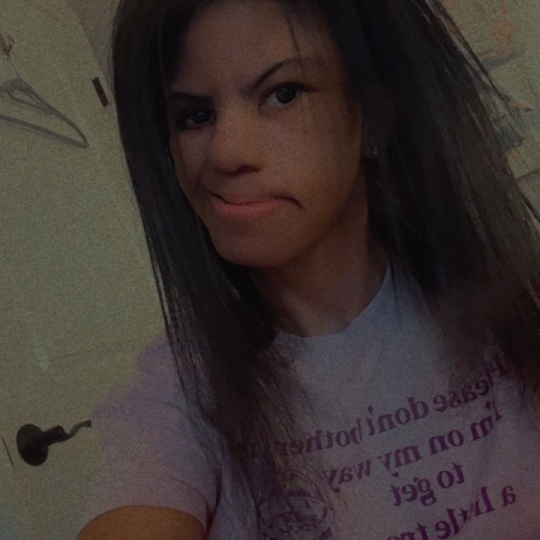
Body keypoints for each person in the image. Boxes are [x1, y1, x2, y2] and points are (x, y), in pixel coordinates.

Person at [78, 0, 540, 538]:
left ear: (372, 118)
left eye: (284, 93)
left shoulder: (515, 309)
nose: (226, 152)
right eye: (195, 117)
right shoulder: (181, 391)